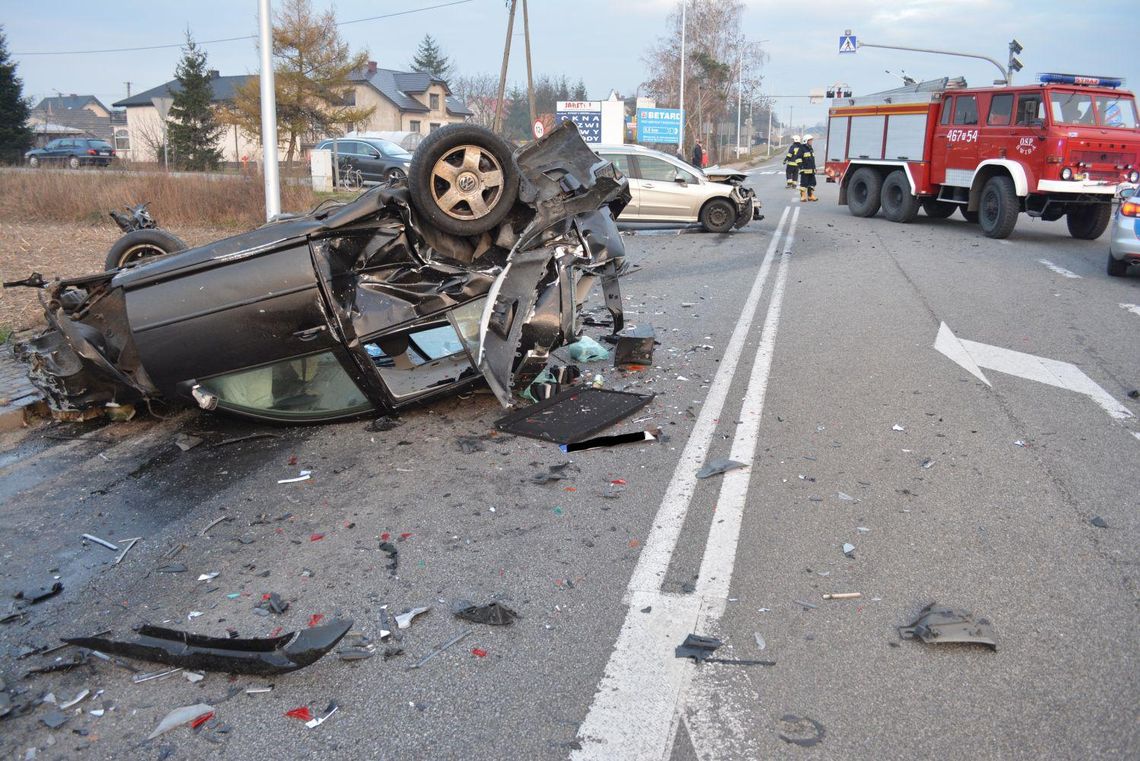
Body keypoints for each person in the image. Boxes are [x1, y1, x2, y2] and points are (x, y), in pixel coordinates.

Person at [798, 134, 818, 201]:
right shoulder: (801, 148)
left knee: (812, 183)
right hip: (804, 170)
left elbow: (812, 160)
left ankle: (810, 196)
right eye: (810, 140)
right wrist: (801, 167)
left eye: (811, 140)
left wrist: (814, 168)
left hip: (811, 170)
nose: (811, 142)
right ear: (805, 141)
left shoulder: (810, 149)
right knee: (804, 184)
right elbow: (798, 159)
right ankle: (803, 196)